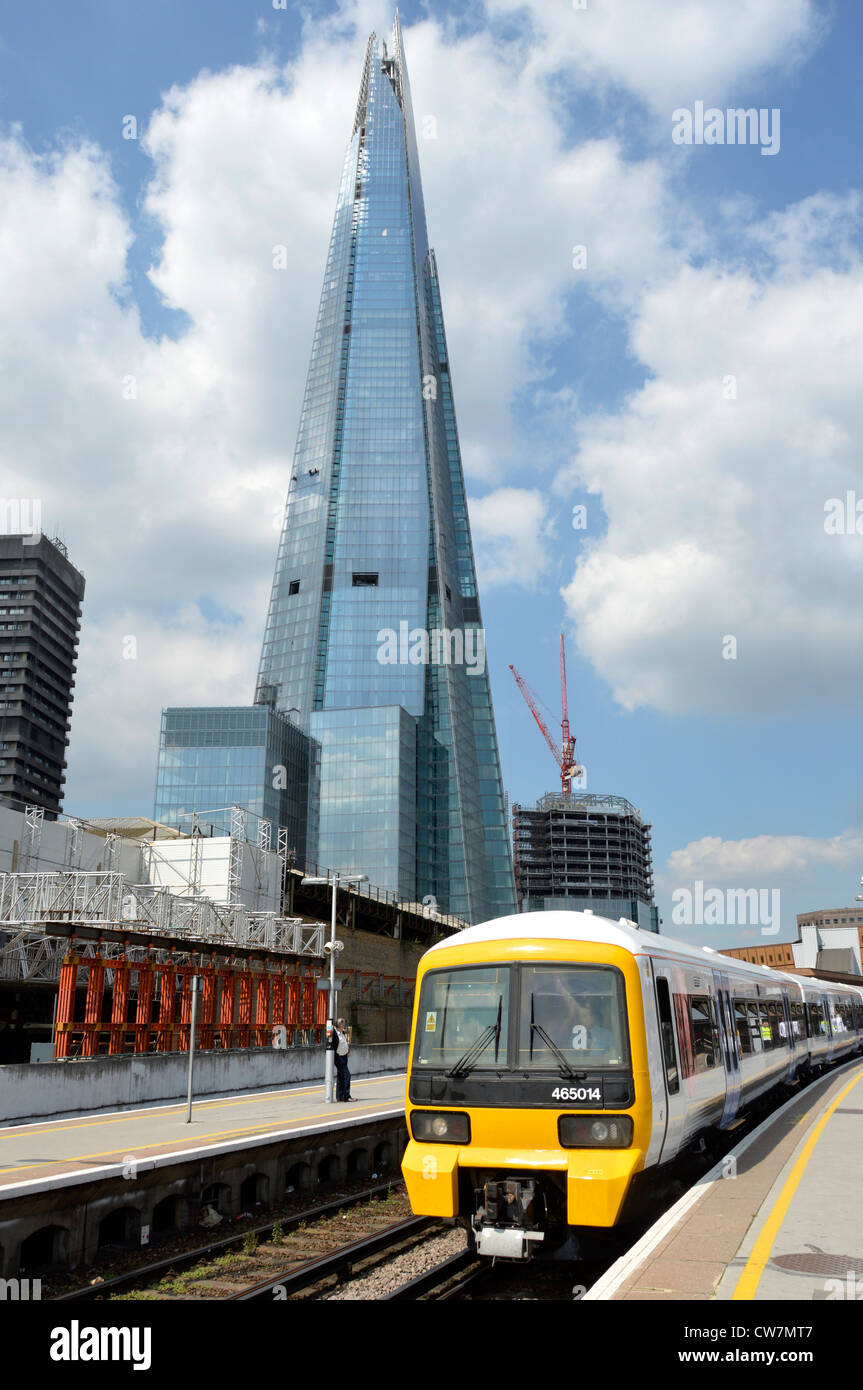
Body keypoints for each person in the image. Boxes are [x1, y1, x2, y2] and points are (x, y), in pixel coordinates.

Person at [327, 1017, 355, 1101]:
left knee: (341, 1076)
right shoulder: (334, 1034)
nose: (344, 1026)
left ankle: (339, 1096)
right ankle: (347, 1096)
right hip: (338, 1057)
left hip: (344, 1056)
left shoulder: (341, 1032)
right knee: (347, 1075)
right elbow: (332, 1045)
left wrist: (347, 1051)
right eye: (343, 1024)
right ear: (339, 1025)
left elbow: (343, 1043)